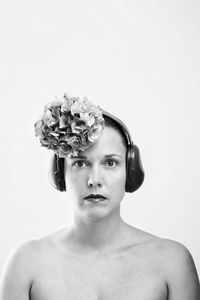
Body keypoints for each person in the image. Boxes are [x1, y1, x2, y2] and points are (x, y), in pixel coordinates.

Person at [0, 93, 199, 300]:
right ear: (60, 174)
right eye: (80, 163)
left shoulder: (172, 262)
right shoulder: (26, 264)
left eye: (110, 163)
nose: (94, 179)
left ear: (131, 171)